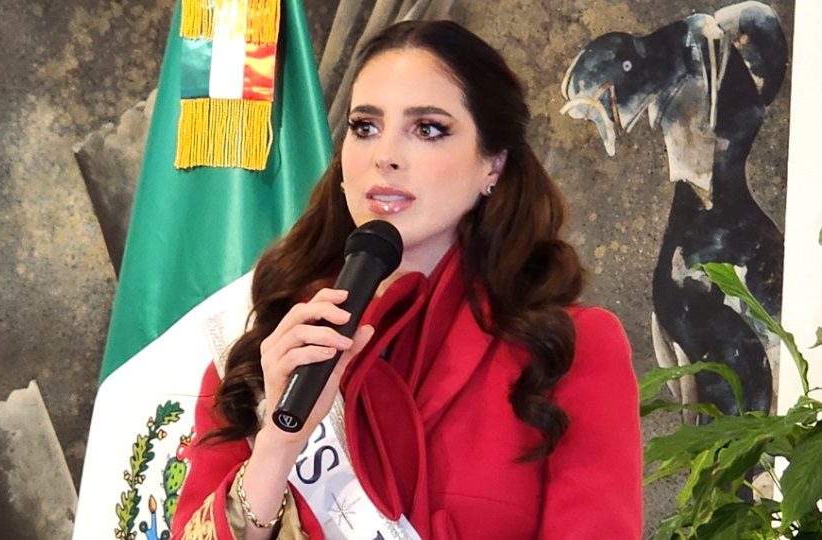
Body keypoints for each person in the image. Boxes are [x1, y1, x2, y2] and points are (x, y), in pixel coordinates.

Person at [172, 19, 642, 540]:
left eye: (428, 129)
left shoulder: (569, 349)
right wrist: (279, 444)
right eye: (365, 127)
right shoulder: (269, 347)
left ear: (493, 163)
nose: (385, 155)